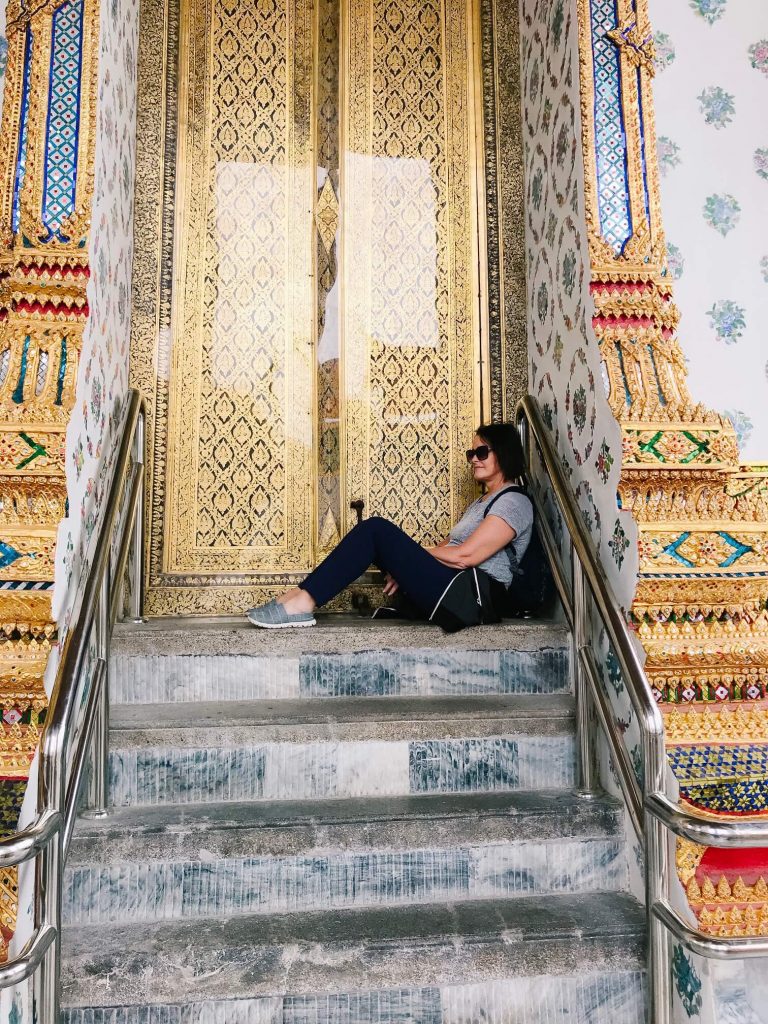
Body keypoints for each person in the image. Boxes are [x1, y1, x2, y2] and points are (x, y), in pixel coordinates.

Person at [246, 422, 534, 629]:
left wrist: (408, 555)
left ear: (504, 453)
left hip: (470, 598)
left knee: (376, 530)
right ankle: (300, 596)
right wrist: (407, 565)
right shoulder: (482, 503)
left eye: (481, 453)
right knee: (378, 536)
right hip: (452, 587)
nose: (474, 460)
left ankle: (303, 601)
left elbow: (465, 556)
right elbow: (448, 546)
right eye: (471, 454)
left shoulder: (514, 502)